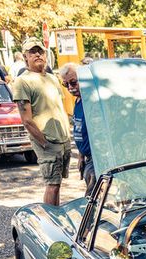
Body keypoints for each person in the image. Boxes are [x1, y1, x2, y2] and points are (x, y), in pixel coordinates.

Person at [12, 38, 72, 207]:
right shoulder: (22, 81)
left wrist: (68, 133)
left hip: (63, 138)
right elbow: (27, 120)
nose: (37, 54)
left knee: (58, 182)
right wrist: (44, 142)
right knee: (52, 184)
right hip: (47, 141)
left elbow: (59, 106)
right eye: (32, 52)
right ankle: (50, 222)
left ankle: (56, 214)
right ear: (25, 57)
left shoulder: (52, 78)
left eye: (40, 51)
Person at [59, 63, 95, 196]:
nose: (70, 88)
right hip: (87, 156)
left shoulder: (92, 101)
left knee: (92, 196)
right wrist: (81, 156)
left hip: (96, 157)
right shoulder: (78, 101)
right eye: (66, 85)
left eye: (73, 83)